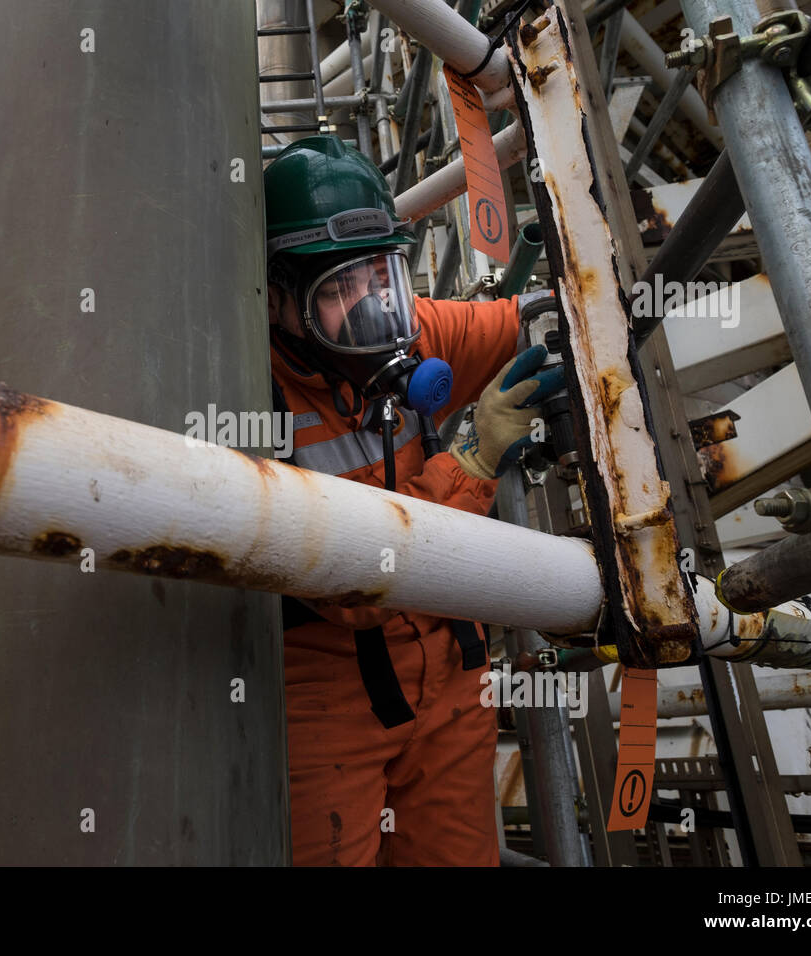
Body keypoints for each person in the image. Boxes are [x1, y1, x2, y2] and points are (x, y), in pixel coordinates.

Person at [264, 135, 562, 866]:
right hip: (325, 693)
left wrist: (579, 299)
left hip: (454, 677)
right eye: (338, 290)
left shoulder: (412, 329)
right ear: (275, 298)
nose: (372, 309)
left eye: (380, 277)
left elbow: (524, 321)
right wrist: (476, 458)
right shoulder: (248, 394)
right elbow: (358, 583)